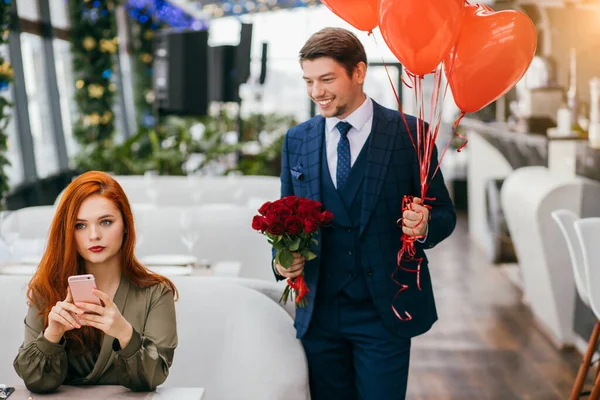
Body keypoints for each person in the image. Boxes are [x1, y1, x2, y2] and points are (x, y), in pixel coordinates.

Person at [274, 27, 456, 399]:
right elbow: (284, 221)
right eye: (308, 81)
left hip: (384, 312)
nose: (316, 93)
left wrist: (424, 227)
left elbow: (445, 215)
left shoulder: (410, 134)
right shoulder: (297, 140)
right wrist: (280, 262)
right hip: (319, 314)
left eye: (327, 79)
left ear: (358, 72)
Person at [13, 171, 178, 394]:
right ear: (68, 232)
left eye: (106, 222)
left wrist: (124, 333)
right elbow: (35, 382)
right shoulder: (46, 289)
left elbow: (152, 378)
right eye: (80, 225)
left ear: (126, 225)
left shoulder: (156, 293)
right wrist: (53, 334)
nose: (94, 235)